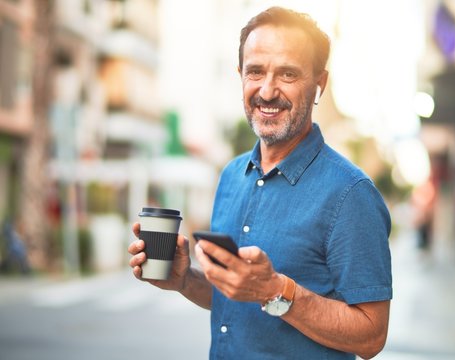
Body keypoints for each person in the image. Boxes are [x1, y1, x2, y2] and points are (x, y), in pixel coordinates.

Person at [128, 6, 392, 359]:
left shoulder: (351, 194)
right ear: (240, 75)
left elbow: (372, 336)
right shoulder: (230, 176)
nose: (267, 91)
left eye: (287, 74)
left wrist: (276, 290)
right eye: (255, 71)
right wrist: (184, 280)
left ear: (319, 83)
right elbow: (237, 299)